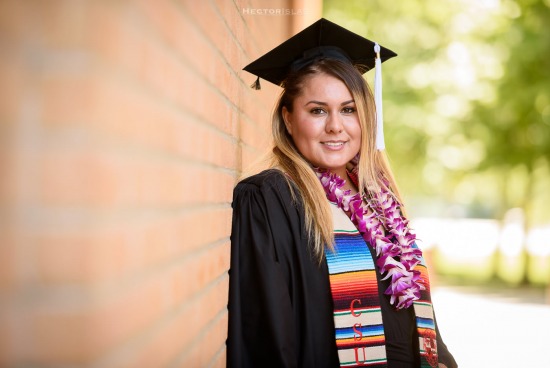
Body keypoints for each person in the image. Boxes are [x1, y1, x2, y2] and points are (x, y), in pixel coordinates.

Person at [227, 18, 457, 368]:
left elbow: (421, 319)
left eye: (348, 110)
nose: (335, 125)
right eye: (317, 110)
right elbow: (267, 337)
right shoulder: (271, 198)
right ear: (288, 119)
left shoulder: (379, 200)